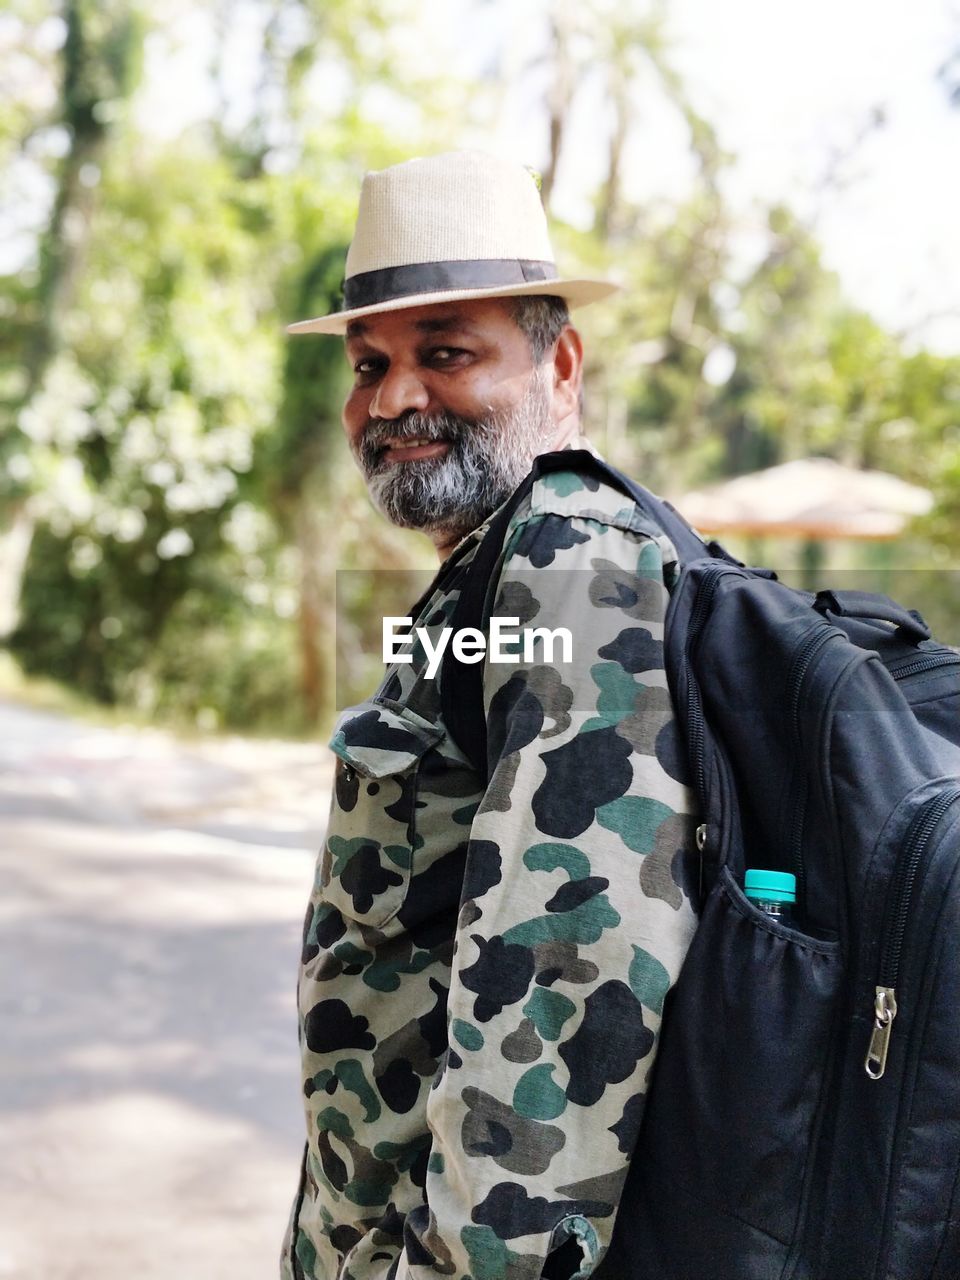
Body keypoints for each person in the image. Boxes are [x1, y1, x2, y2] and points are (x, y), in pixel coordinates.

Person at [280, 150, 698, 1280]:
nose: (395, 396)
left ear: (559, 364)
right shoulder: (491, 567)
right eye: (371, 362)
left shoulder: (569, 562)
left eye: (447, 352)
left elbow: (566, 986)